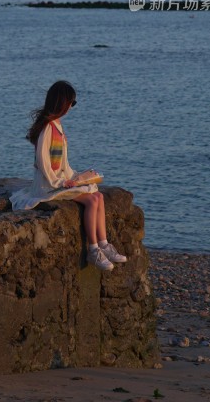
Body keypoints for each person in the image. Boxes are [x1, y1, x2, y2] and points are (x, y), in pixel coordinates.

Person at [10, 80, 127, 272]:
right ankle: (93, 249)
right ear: (62, 103)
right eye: (71, 103)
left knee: (98, 196)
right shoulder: (48, 128)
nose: (72, 107)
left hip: (60, 181)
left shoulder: (58, 127)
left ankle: (104, 244)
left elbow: (63, 164)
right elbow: (42, 162)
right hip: (48, 185)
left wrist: (78, 176)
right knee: (91, 201)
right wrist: (61, 182)